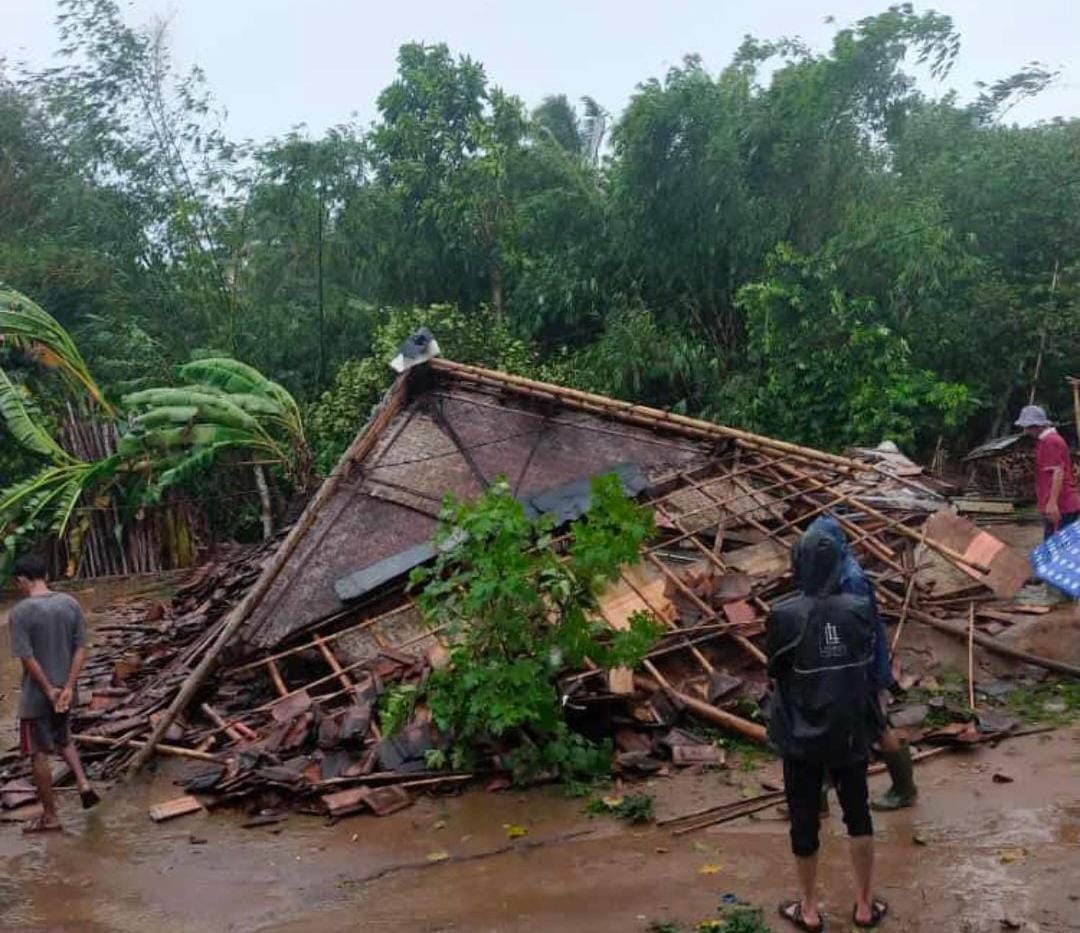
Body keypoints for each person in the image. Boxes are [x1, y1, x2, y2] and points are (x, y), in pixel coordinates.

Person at [767, 523, 888, 931]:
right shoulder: (856, 608)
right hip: (849, 730)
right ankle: (864, 906)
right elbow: (866, 663)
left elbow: (777, 672)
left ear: (798, 566)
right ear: (838, 563)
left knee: (804, 820)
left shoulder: (782, 615)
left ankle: (809, 908)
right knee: (859, 815)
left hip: (801, 733)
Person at [811, 516, 918, 811]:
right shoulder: (832, 571)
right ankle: (818, 795)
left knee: (876, 726)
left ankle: (904, 788)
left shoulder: (851, 579)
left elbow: (859, 629)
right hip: (844, 664)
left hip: (859, 666)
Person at [8, 553, 100, 833]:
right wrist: (69, 687)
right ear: (46, 576)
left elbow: (27, 657)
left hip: (38, 696)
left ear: (22, 580)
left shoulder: (21, 612)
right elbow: (81, 648)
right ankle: (83, 782)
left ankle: (50, 817)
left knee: (37, 753)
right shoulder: (69, 603)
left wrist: (48, 690)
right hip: (67, 691)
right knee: (64, 737)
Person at [1015, 405, 1080, 539]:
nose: (1026, 431)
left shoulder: (1050, 441)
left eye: (1027, 427)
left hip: (1062, 505)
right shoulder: (1048, 440)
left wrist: (1052, 503)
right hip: (1061, 504)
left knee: (1057, 548)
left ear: (1036, 426)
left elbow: (1058, 472)